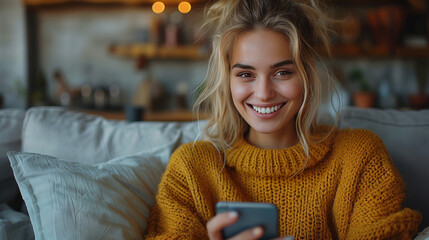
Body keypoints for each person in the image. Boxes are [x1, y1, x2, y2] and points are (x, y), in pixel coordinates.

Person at [145, 0, 422, 239]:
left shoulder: (359, 157)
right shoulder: (192, 169)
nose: (264, 93)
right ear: (227, 80)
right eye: (245, 74)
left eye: (282, 73)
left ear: (307, 76)